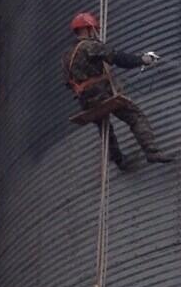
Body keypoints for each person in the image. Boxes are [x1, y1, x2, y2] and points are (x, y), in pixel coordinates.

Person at [62, 11, 175, 169]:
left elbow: (68, 83)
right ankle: (152, 151)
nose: (96, 33)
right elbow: (118, 58)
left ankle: (118, 160)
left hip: (85, 101)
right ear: (88, 29)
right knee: (134, 115)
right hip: (101, 94)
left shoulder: (67, 57)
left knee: (104, 127)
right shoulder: (89, 46)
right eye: (94, 29)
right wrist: (142, 60)